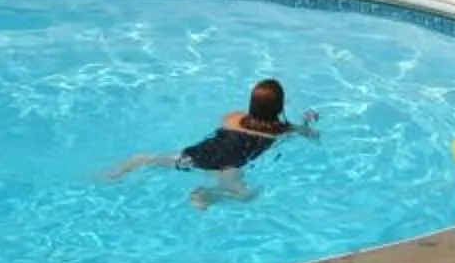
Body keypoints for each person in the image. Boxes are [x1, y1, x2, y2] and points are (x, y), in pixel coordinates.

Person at [101, 78, 320, 208]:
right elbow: (311, 135)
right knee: (244, 196)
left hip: (202, 152)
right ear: (280, 108)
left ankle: (113, 173)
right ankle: (208, 194)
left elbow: (225, 121)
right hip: (229, 165)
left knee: (151, 158)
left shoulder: (234, 117)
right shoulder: (282, 130)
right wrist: (307, 121)